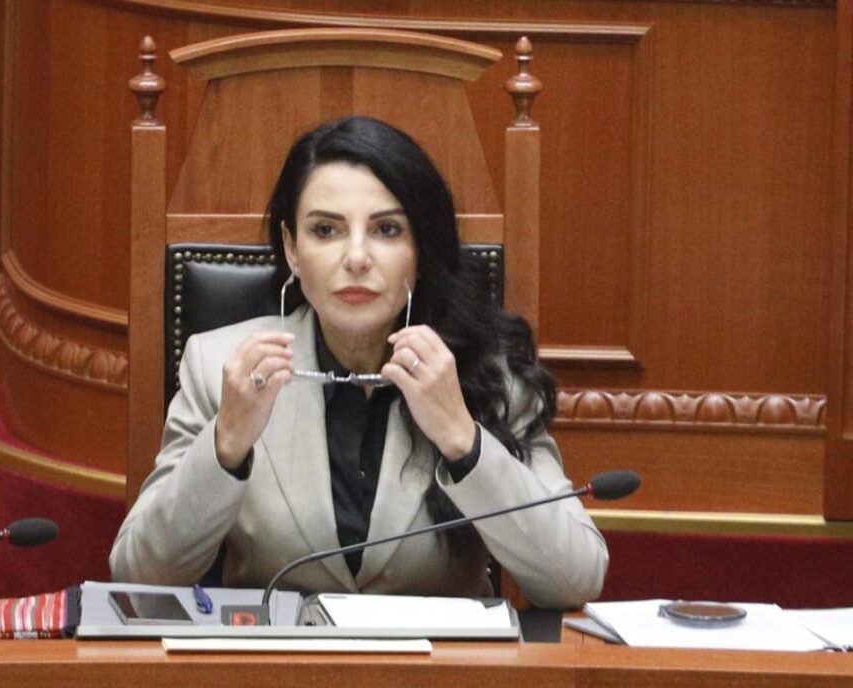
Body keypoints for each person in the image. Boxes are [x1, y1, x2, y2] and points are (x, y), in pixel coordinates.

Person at [110, 116, 607, 608]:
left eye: (386, 230)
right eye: (326, 230)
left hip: (442, 660)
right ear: (292, 249)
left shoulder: (485, 371)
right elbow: (140, 576)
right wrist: (226, 446)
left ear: (420, 250)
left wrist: (461, 437)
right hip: (271, 657)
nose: (356, 257)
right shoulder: (220, 366)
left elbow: (575, 578)